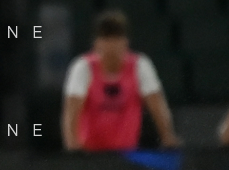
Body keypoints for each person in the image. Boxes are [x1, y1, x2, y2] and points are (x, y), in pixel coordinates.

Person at [61, 10, 181, 151]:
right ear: (96, 43)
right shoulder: (83, 67)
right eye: (106, 39)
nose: (112, 45)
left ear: (126, 42)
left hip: (127, 152)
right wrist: (72, 144)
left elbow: (157, 105)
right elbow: (71, 110)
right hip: (91, 153)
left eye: (117, 39)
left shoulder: (140, 66)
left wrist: (167, 136)